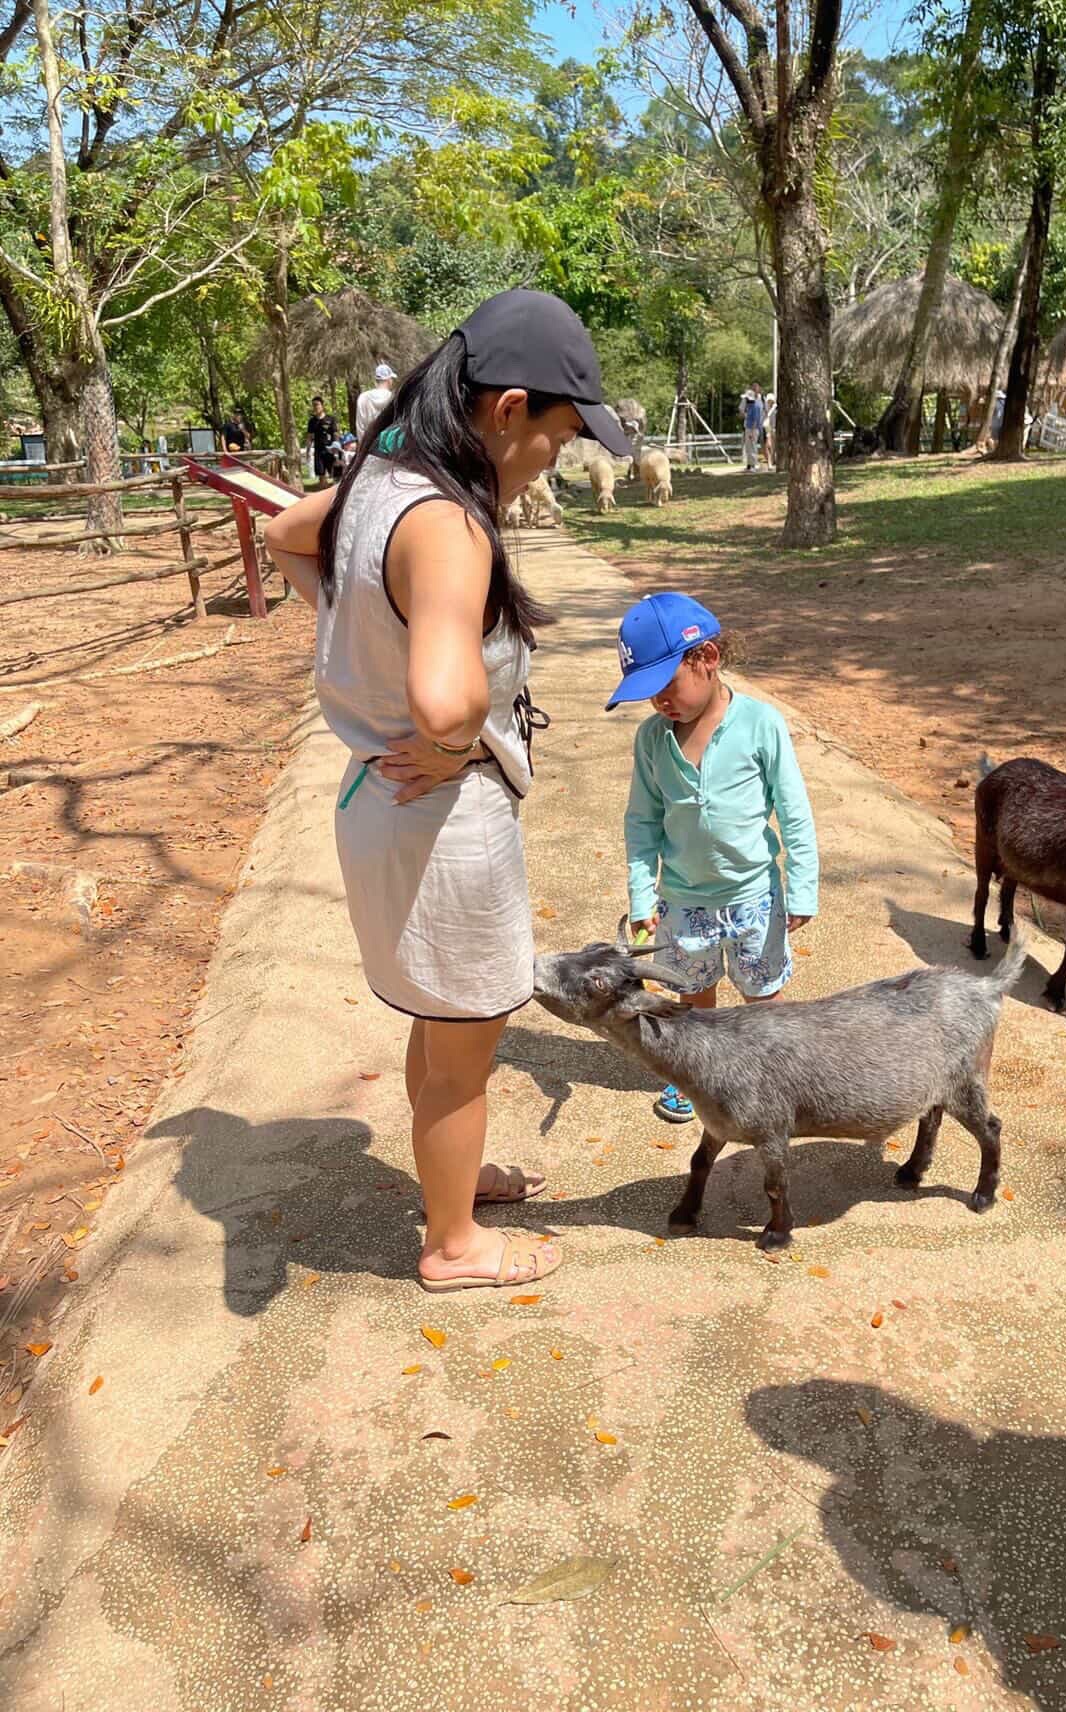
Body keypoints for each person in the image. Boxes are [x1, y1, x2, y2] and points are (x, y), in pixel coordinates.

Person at [263, 290, 632, 1290]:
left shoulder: (377, 475)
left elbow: (289, 536)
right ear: (507, 410)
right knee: (466, 1045)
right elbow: (446, 695)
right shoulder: (449, 526)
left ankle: (452, 1187)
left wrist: (367, 650)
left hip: (380, 810)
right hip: (439, 824)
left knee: (441, 1021)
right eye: (556, 439)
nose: (553, 460)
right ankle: (454, 1244)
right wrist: (450, 725)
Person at [609, 592, 819, 1124]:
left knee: (762, 996)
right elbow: (642, 822)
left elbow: (793, 812)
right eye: (648, 694)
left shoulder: (760, 724)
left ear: (705, 659)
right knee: (694, 994)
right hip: (683, 901)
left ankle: (773, 1078)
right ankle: (696, 1075)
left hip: (753, 897)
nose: (659, 703)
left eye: (665, 687)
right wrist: (641, 896)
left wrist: (803, 886)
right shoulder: (652, 741)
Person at [356, 362, 398, 438]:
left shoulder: (363, 397)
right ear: (389, 380)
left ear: (376, 380)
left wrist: (363, 444)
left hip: (369, 442)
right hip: (388, 443)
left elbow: (360, 426)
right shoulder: (393, 398)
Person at [306, 396, 338, 482]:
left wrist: (336, 448)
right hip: (318, 452)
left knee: (335, 475)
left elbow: (335, 434)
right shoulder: (312, 421)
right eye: (313, 405)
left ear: (322, 405)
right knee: (321, 475)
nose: (315, 407)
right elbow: (309, 437)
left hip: (330, 450)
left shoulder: (331, 419)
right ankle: (324, 489)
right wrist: (308, 451)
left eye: (317, 404)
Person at [740, 383, 765, 470]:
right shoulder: (751, 404)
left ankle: (753, 465)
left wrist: (753, 428)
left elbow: (756, 418)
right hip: (749, 426)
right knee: (748, 446)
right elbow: (742, 411)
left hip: (753, 427)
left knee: (753, 445)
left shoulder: (757, 404)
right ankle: (750, 464)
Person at [763, 392, 777, 469]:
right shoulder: (766, 408)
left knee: (774, 446)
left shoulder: (776, 408)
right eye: (769, 401)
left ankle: (773, 461)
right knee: (769, 445)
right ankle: (769, 463)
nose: (770, 402)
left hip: (775, 428)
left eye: (771, 401)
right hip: (768, 427)